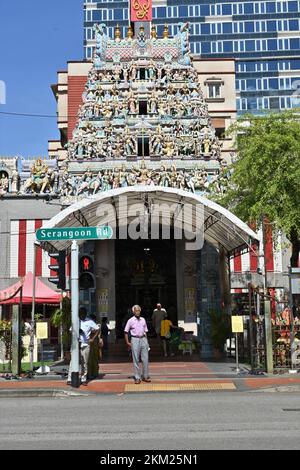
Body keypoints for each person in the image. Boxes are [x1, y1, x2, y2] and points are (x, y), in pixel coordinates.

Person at [67, 309, 100, 386]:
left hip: (85, 344)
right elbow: (70, 330)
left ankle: (83, 378)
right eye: (81, 313)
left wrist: (92, 338)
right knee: (73, 361)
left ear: (86, 314)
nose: (82, 315)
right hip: (76, 344)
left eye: (83, 313)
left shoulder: (90, 321)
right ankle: (69, 378)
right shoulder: (76, 321)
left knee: (84, 362)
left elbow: (97, 329)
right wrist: (77, 331)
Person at [124, 305, 151, 384]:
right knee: (136, 359)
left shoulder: (143, 319)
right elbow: (125, 331)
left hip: (143, 339)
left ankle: (145, 376)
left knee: (145, 358)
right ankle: (137, 377)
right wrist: (127, 342)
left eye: (139, 310)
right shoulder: (130, 320)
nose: (138, 312)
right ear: (133, 311)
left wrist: (147, 342)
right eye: (136, 310)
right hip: (135, 339)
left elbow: (145, 331)